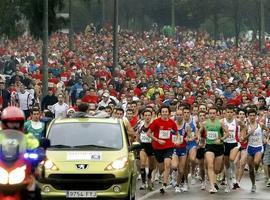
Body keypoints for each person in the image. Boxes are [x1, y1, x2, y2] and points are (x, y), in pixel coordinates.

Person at [146, 105, 178, 194]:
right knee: (161, 167)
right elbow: (148, 133)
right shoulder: (156, 122)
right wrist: (157, 140)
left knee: (167, 164)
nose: (164, 113)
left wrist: (177, 140)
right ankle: (161, 175)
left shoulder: (172, 122)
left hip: (168, 147)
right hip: (157, 147)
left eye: (166, 112)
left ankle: (164, 184)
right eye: (163, 112)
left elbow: (177, 132)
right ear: (160, 113)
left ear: (169, 113)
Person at [199, 107, 229, 194]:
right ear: (208, 114)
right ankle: (212, 186)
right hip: (209, 146)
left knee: (217, 169)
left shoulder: (220, 123)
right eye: (210, 113)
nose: (212, 115)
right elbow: (199, 131)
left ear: (216, 114)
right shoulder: (205, 123)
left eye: (213, 113)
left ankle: (215, 179)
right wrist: (198, 137)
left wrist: (221, 139)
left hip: (219, 147)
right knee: (210, 165)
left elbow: (227, 133)